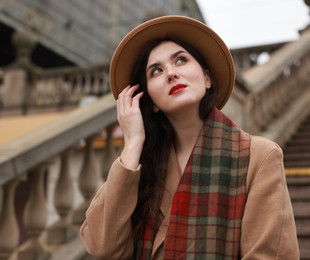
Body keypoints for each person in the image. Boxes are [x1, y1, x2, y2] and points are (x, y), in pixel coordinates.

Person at [80, 15, 299, 259]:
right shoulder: (140, 167)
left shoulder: (259, 157)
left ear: (207, 78)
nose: (171, 74)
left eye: (181, 60)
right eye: (156, 71)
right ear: (150, 101)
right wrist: (132, 144)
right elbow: (102, 247)